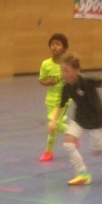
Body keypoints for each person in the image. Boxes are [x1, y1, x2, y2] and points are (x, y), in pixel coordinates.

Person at [48, 54, 102, 185]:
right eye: (62, 71)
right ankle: (82, 173)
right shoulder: (66, 87)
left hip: (98, 121)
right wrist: (54, 121)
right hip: (80, 119)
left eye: (66, 71)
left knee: (97, 151)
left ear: (77, 70)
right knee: (68, 144)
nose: (63, 74)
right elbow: (61, 105)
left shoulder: (87, 81)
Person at [38, 34, 69, 162]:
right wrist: (48, 83)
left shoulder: (68, 64)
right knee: (54, 125)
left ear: (64, 48)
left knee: (53, 124)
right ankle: (72, 133)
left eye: (58, 44)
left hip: (64, 99)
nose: (54, 46)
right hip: (50, 99)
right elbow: (41, 80)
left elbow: (74, 78)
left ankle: (48, 152)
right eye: (52, 44)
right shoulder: (46, 64)